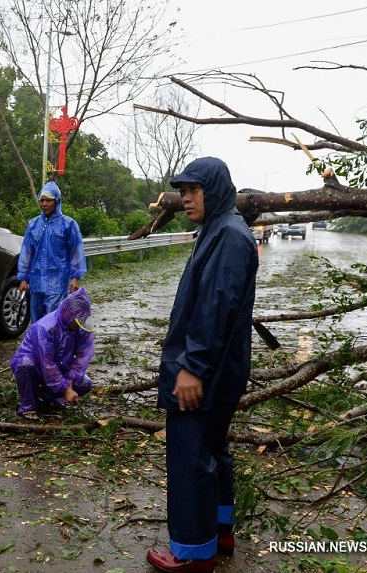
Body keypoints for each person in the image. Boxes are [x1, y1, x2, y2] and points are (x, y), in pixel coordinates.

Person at [147, 157, 259, 573]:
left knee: (191, 455)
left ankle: (193, 553)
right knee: (213, 449)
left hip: (206, 370)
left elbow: (215, 308)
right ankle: (220, 532)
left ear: (214, 191)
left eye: (195, 190)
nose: (186, 198)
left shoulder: (228, 235)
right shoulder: (217, 230)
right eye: (183, 190)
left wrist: (191, 367)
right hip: (219, 367)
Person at [10, 287, 95, 420]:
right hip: (37, 366)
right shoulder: (45, 328)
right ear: (69, 314)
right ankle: (29, 404)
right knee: (26, 365)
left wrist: (69, 384)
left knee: (85, 384)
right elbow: (47, 364)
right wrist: (65, 389)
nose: (79, 325)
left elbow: (81, 359)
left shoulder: (80, 328)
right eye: (77, 321)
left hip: (60, 367)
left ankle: (47, 398)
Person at [18, 181, 86, 324]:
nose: (44, 204)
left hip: (58, 281)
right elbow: (27, 252)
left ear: (56, 201)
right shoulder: (33, 225)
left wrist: (75, 276)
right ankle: (39, 346)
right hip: (36, 281)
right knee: (37, 321)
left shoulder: (68, 224)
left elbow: (76, 251)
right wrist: (23, 278)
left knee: (53, 320)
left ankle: (54, 346)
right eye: (42, 200)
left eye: (48, 200)